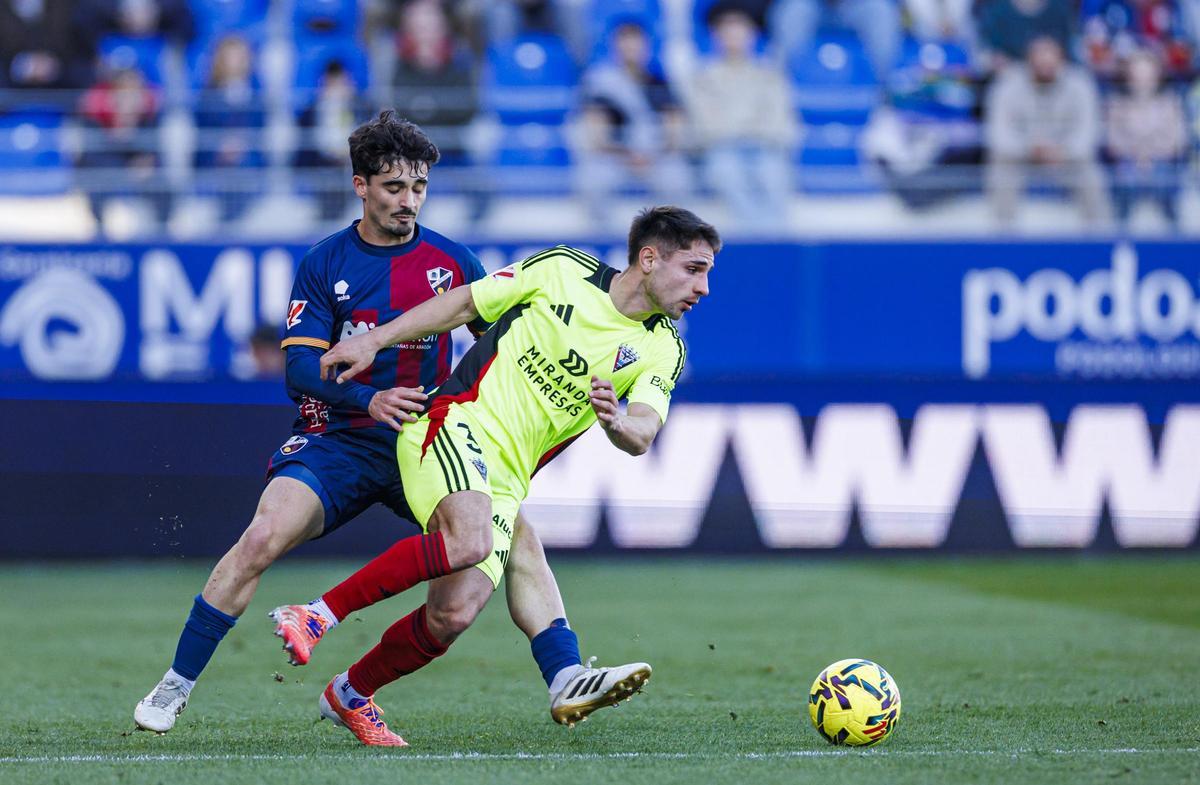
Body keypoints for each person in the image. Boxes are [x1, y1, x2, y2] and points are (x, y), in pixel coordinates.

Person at [132, 111, 617, 735]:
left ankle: (536, 677)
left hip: (431, 438)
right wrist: (369, 401)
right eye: (394, 188)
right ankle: (175, 687)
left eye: (418, 188)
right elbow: (299, 373)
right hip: (343, 439)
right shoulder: (325, 261)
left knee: (489, 576)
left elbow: (500, 348)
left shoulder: (452, 260)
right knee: (260, 538)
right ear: (360, 186)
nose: (408, 201)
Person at [277, 205, 719, 746]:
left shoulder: (663, 348)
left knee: (453, 614)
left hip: (508, 476)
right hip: (452, 422)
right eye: (694, 269)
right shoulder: (564, 269)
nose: (703, 287)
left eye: (707, 273)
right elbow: (464, 302)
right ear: (649, 259)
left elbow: (644, 433)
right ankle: (316, 614)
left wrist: (616, 420)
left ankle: (350, 694)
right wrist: (374, 340)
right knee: (471, 538)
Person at [685, 6, 798, 235]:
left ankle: (775, 236)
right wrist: (745, 127)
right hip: (722, 149)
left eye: (739, 32)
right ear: (716, 37)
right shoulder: (704, 77)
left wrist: (742, 127)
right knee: (726, 171)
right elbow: (705, 126)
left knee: (774, 173)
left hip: (765, 148)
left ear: (752, 36)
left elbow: (781, 121)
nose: (734, 38)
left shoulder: (769, 74)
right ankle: (752, 235)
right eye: (727, 32)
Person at [573, 19, 691, 225]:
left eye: (636, 42)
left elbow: (674, 129)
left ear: (647, 47)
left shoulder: (661, 83)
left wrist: (652, 155)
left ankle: (666, 239)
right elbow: (596, 135)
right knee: (592, 179)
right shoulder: (601, 84)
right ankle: (602, 233)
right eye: (625, 42)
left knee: (677, 178)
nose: (631, 48)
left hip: (656, 156)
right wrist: (628, 156)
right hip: (615, 156)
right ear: (614, 47)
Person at [984, 35, 1109, 228]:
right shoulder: (1008, 84)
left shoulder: (1080, 84)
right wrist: (1029, 148)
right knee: (1001, 170)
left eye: (1050, 63)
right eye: (1039, 62)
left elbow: (1088, 132)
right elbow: (999, 134)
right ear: (1029, 61)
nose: (1045, 67)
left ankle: (1097, 238)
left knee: (1091, 174)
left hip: (1067, 158)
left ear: (1061, 60)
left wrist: (1063, 150)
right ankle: (1004, 239)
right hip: (1021, 156)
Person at [1104, 49, 1188, 229]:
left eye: (1147, 72)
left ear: (1157, 74)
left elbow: (1177, 141)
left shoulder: (1171, 103)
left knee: (1166, 178)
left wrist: (1150, 155)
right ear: (1128, 75)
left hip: (1161, 161)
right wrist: (1137, 155)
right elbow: (1113, 140)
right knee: (1124, 179)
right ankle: (1121, 234)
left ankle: (1174, 234)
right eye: (1137, 72)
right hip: (1128, 162)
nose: (1143, 77)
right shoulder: (1116, 104)